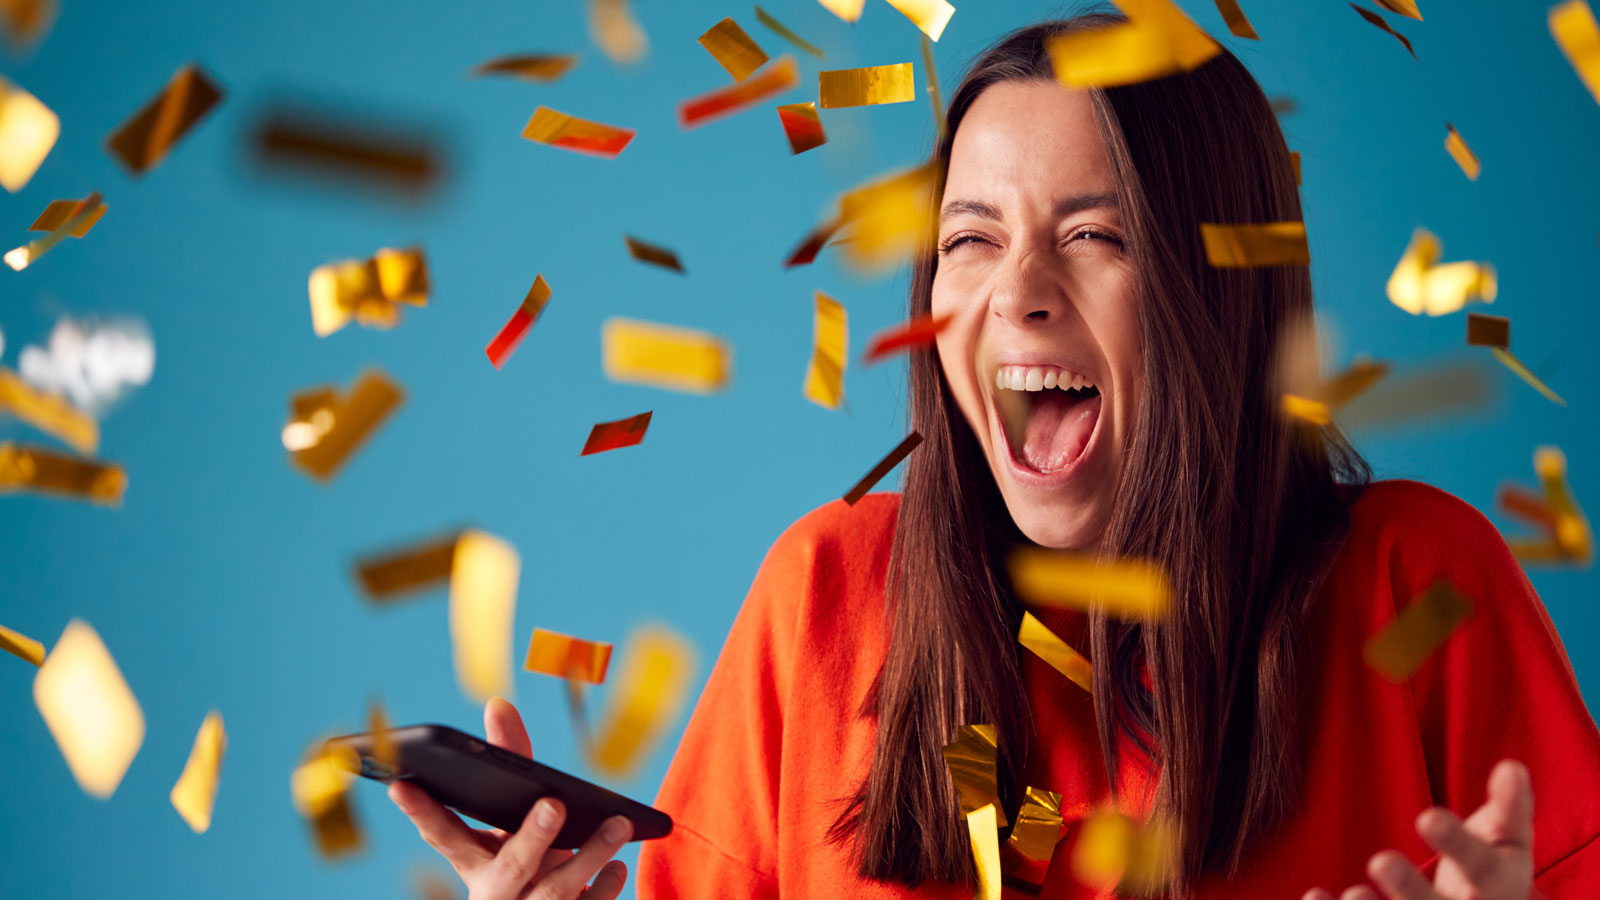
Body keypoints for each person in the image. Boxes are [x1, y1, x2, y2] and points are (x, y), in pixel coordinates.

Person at [389, 15, 1600, 900]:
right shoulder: (825, 591)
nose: (1014, 295)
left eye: (1096, 233)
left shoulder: (1417, 582)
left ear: (1221, 291)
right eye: (970, 239)